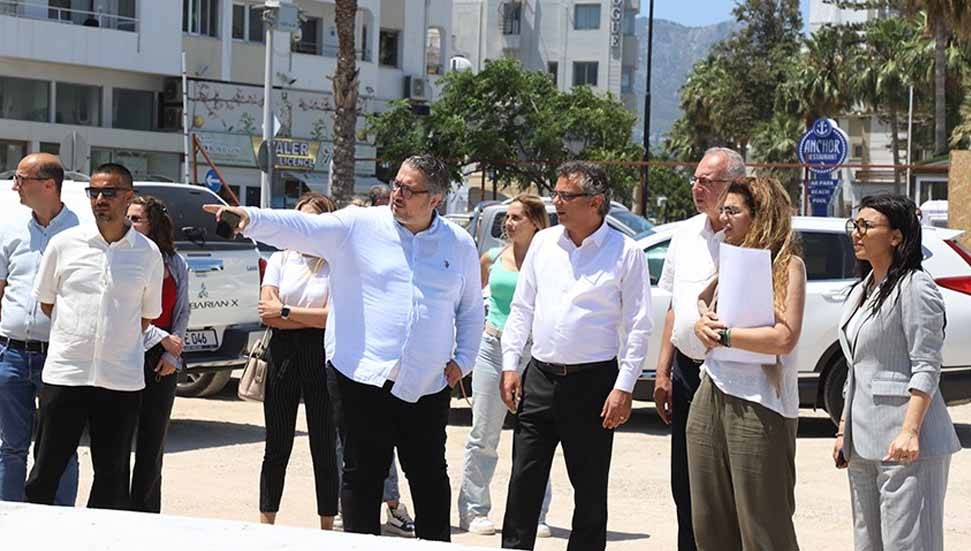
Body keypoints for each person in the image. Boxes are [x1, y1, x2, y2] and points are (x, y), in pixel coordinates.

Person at [202, 154, 483, 541]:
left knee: (429, 477)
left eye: (409, 189)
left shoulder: (459, 243)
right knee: (361, 476)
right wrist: (248, 217)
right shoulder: (358, 225)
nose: (397, 193)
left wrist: (463, 361)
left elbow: (470, 309)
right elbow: (301, 227)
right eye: (396, 184)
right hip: (361, 378)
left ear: (435, 199)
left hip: (426, 382)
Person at [500, 162, 654, 551]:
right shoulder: (544, 243)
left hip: (593, 386)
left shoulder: (626, 252)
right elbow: (521, 308)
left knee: (589, 490)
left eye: (566, 196)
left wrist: (624, 388)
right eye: (556, 193)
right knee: (523, 482)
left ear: (595, 202)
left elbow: (638, 326)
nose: (557, 202)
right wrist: (510, 365)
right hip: (539, 378)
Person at [25, 163, 164, 509]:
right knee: (45, 471)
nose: (100, 199)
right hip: (66, 374)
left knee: (112, 477)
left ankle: (99, 536)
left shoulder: (147, 253)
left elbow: (147, 315)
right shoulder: (64, 244)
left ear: (128, 196)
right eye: (94, 192)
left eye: (109, 192)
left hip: (120, 379)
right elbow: (47, 303)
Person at [834, 194, 960, 551]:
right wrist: (844, 430)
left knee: (909, 545)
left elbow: (926, 364)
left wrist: (910, 431)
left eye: (866, 225)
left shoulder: (916, 286)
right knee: (867, 544)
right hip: (863, 441)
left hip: (907, 443)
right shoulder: (862, 291)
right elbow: (857, 366)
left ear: (896, 236)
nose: (856, 233)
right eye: (854, 224)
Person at [688, 176, 805, 551]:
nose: (723, 217)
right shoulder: (729, 262)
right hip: (712, 389)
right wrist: (702, 321)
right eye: (723, 209)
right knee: (709, 520)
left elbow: (784, 338)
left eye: (732, 211)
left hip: (761, 400)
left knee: (763, 524)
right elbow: (702, 303)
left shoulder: (787, 266)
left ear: (761, 216)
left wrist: (725, 336)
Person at [653, 147, 745, 551]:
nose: (697, 187)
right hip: (686, 372)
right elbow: (675, 308)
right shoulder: (685, 233)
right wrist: (662, 372)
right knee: (685, 482)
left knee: (725, 487)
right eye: (695, 179)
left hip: (731, 377)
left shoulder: (749, 237)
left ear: (734, 185)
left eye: (707, 181)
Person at [458, 194, 554, 538]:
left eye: (517, 218)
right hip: (492, 347)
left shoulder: (550, 261)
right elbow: (471, 301)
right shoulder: (492, 257)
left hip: (534, 352)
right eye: (507, 218)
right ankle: (474, 509)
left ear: (536, 223)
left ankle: (535, 513)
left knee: (536, 437)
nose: (509, 224)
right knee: (483, 434)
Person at [0, 153, 80, 505]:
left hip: (61, 357)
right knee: (10, 447)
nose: (14, 186)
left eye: (21, 179)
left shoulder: (82, 233)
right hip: (11, 354)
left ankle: (60, 520)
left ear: (49, 185)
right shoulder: (10, 229)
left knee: (60, 447)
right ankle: (9, 518)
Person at [257, 192, 339, 529]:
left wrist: (286, 311)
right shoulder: (280, 259)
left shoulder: (336, 262)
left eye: (313, 221)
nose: (305, 228)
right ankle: (266, 521)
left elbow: (331, 318)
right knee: (277, 443)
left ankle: (327, 524)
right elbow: (267, 313)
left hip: (321, 353)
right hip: (283, 352)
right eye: (300, 219)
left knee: (324, 445)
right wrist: (300, 316)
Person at [127, 195, 190, 513]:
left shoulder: (175, 262)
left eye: (136, 219)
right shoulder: (124, 258)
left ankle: (146, 512)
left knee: (152, 444)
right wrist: (162, 338)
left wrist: (171, 354)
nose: (129, 224)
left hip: (163, 360)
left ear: (153, 224)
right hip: (127, 352)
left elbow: (182, 310)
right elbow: (126, 311)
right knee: (118, 441)